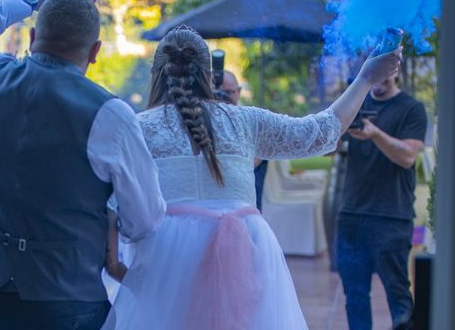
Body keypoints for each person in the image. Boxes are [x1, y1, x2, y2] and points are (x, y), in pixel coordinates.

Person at [102, 26, 400, 330]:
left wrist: (123, 271)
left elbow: (112, 202)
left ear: (157, 74)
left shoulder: (137, 127)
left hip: (166, 261)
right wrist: (364, 79)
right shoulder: (245, 120)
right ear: (209, 75)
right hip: (244, 255)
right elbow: (318, 132)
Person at [0, 0, 166, 330]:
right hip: (69, 300)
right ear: (95, 53)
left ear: (33, 39)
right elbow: (145, 219)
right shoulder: (111, 113)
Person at [337, 72, 426, 330]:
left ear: (395, 71)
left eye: (383, 74)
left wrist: (374, 133)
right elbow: (330, 149)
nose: (378, 80)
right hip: (351, 215)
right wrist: (339, 124)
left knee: (398, 295)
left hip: (391, 217)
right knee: (354, 297)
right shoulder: (355, 104)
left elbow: (408, 157)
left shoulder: (412, 109)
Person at [219, 69, 268, 211]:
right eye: (218, 92)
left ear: (238, 91)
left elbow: (256, 159)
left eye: (228, 92)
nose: (223, 97)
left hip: (244, 203)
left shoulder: (249, 122)